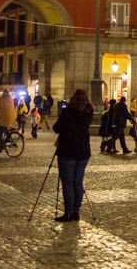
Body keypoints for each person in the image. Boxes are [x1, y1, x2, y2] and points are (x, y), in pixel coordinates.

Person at [52, 88, 94, 222]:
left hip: (67, 151)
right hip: (83, 152)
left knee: (68, 184)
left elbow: (56, 128)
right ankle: (76, 212)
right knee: (78, 182)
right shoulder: (89, 112)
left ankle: (68, 213)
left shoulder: (68, 112)